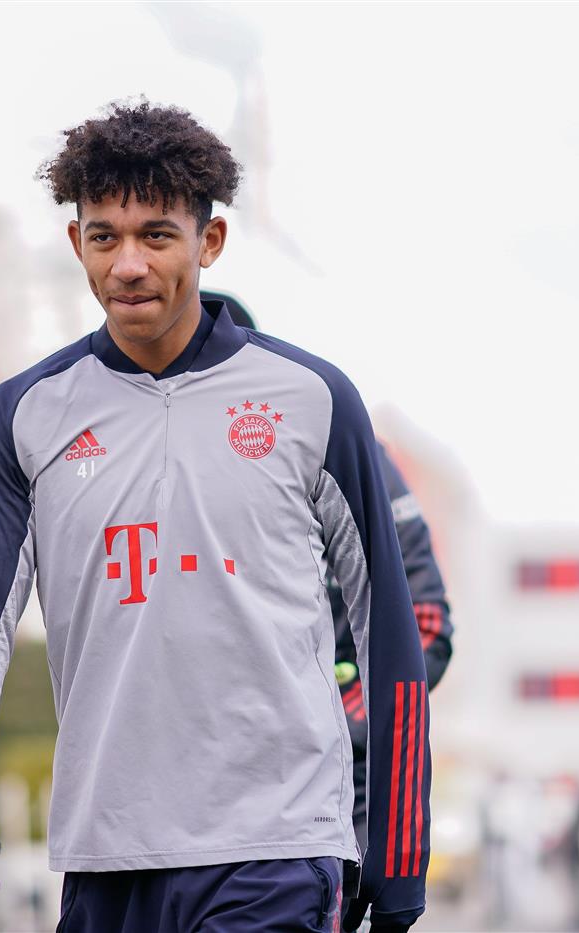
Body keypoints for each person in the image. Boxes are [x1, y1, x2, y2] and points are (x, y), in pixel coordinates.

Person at [0, 99, 431, 933]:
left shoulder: (313, 400)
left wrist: (401, 845)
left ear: (208, 242)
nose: (127, 264)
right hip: (106, 852)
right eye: (104, 236)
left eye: (156, 234)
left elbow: (389, 633)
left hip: (277, 843)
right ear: (76, 244)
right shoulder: (26, 413)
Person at [205, 290, 455, 929]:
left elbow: (426, 627)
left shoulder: (328, 435)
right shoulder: (158, 457)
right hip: (196, 804)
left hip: (331, 791)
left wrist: (324, 716)